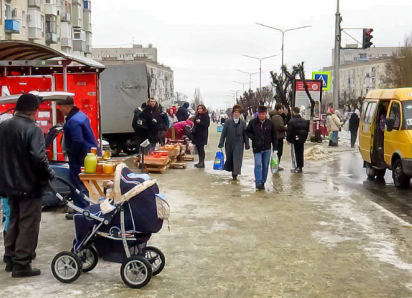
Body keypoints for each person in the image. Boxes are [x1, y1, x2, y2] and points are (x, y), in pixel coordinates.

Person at [0, 94, 55, 277]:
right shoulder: (33, 129)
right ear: (34, 111)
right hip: (29, 185)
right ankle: (22, 263)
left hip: (8, 184)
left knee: (14, 219)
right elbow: (38, 158)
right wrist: (48, 175)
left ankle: (10, 257)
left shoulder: (4, 126)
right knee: (29, 224)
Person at [57, 97, 97, 216]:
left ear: (67, 107)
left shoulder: (73, 121)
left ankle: (81, 211)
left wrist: (72, 155)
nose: (61, 111)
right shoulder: (80, 115)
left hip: (80, 158)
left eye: (61, 108)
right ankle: (81, 208)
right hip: (87, 155)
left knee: (78, 183)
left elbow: (77, 140)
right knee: (81, 183)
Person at [246, 106, 277, 190]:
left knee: (265, 165)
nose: (261, 115)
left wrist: (275, 148)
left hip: (267, 147)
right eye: (260, 114)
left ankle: (263, 181)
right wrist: (254, 137)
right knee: (258, 164)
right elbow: (247, 131)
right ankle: (258, 182)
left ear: (266, 114)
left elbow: (274, 136)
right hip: (257, 147)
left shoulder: (270, 123)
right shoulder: (253, 123)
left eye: (263, 114)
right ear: (258, 114)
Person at [218, 105, 250, 180]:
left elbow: (245, 134)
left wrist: (247, 144)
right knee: (230, 158)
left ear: (240, 114)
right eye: (235, 112)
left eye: (238, 112)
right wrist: (221, 143)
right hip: (229, 143)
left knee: (237, 159)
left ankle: (235, 174)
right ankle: (232, 170)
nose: (236, 114)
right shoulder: (228, 122)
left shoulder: (242, 123)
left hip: (239, 143)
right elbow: (224, 133)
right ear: (233, 113)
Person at [286, 107, 309, 173]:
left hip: (294, 140)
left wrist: (288, 139)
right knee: (300, 153)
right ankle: (300, 166)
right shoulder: (304, 121)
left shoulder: (291, 121)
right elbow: (306, 130)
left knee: (295, 153)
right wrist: (304, 138)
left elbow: (289, 131)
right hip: (301, 140)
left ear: (293, 112)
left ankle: (296, 167)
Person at [269, 103, 287, 171]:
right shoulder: (277, 117)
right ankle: (275, 165)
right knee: (278, 152)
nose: (283, 110)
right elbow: (279, 126)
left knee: (276, 151)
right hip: (278, 136)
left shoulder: (274, 115)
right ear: (279, 109)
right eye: (282, 109)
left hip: (275, 136)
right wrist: (286, 128)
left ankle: (275, 165)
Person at [192, 104, 210, 168]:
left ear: (203, 109)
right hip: (197, 134)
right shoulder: (197, 115)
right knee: (198, 148)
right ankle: (200, 162)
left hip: (202, 134)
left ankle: (202, 162)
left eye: (201, 109)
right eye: (198, 109)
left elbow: (207, 124)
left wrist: (200, 122)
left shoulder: (205, 116)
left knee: (201, 148)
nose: (199, 110)